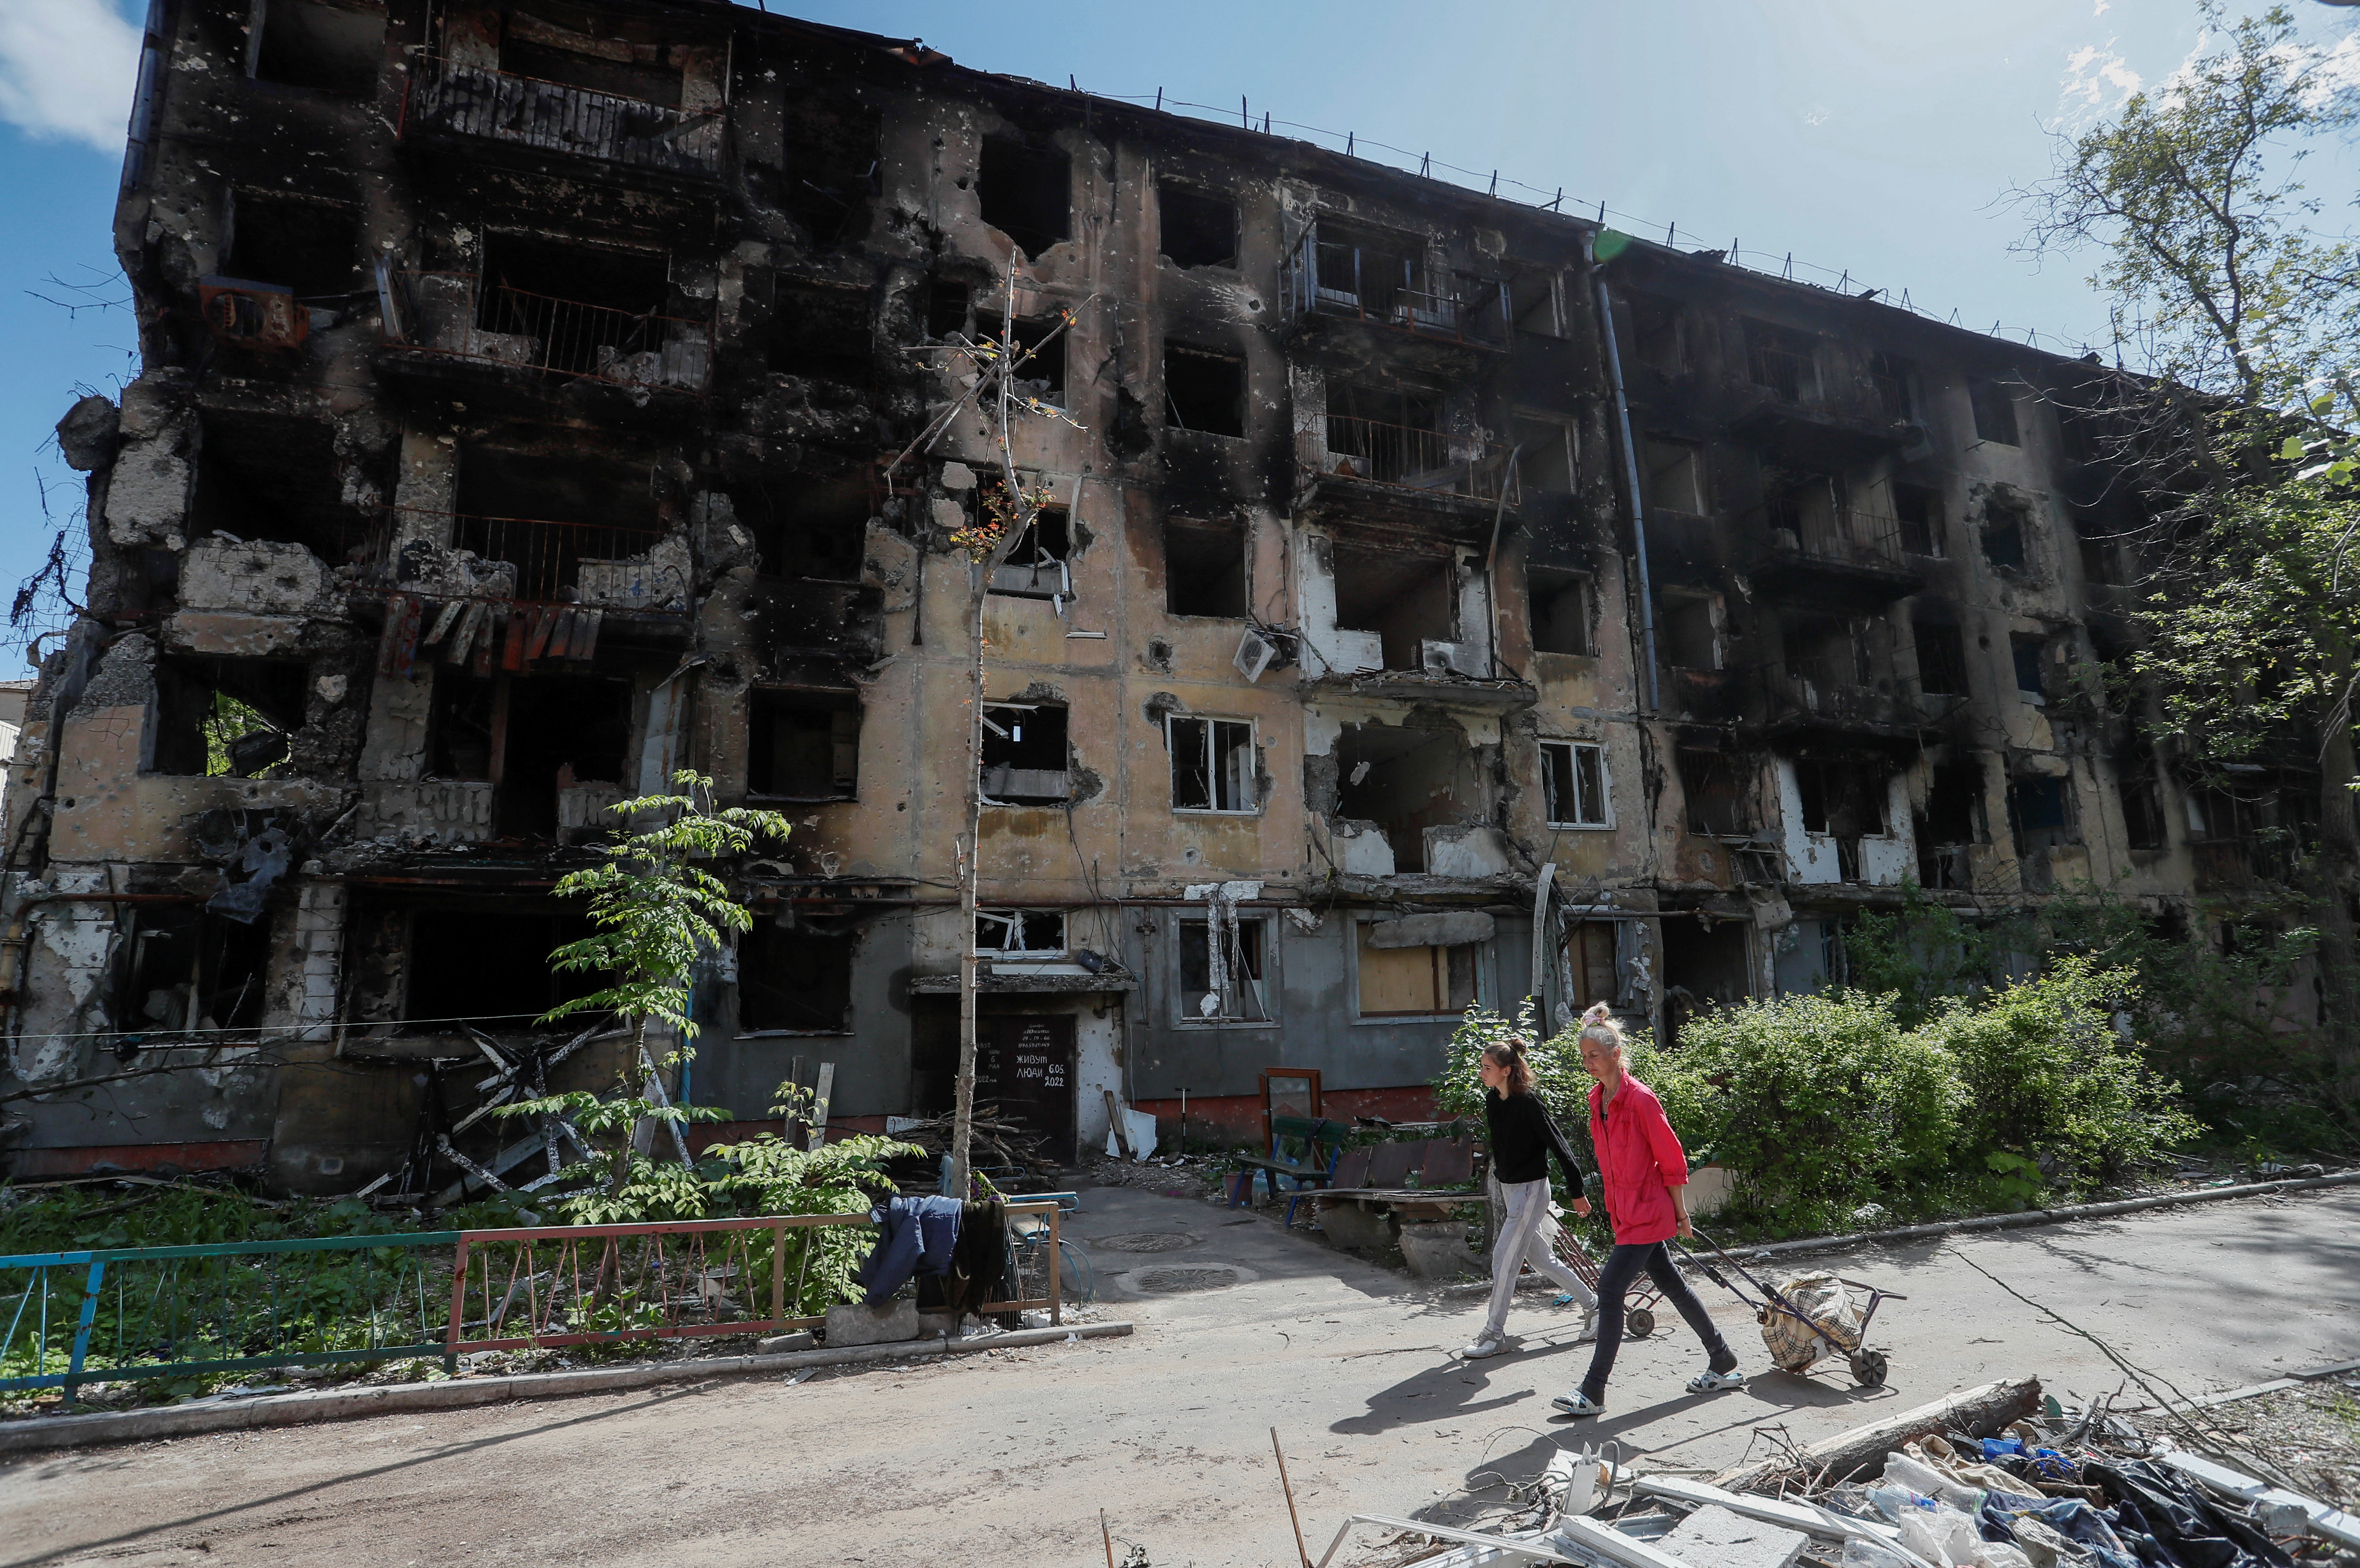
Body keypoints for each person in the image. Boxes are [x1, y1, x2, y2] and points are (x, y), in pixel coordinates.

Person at [1552, 1003, 1745, 1417]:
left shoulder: (1639, 1099)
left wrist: (1681, 1214)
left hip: (1648, 1211)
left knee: (1608, 1290)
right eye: (1584, 1056)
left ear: (1616, 1054)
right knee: (1672, 1285)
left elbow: (1670, 1159)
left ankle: (1593, 1391)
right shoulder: (1597, 1100)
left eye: (1595, 1055)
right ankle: (1723, 1360)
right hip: (1626, 1212)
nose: (1588, 1063)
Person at [1459, 1034, 1599, 1360]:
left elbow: (1559, 1146)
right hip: (1511, 1192)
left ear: (1506, 1071)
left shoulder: (1528, 1102)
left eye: (1487, 1067)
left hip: (1531, 1190)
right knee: (1539, 1260)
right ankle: (1596, 1307)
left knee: (1503, 1261)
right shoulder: (1493, 1100)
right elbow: (1503, 1145)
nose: (1482, 1072)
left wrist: (1576, 1192)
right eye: (1482, 1067)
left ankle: (1493, 1335)